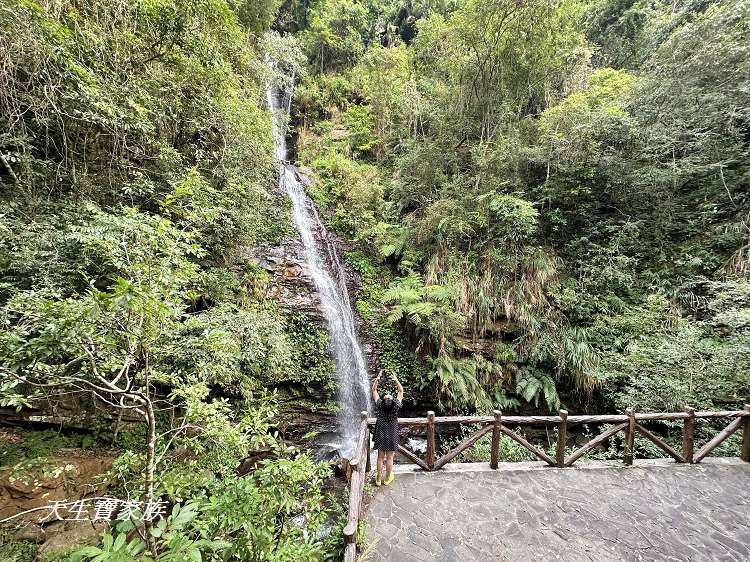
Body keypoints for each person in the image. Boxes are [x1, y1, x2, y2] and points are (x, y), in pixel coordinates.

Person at [371, 370, 403, 486]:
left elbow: (374, 390)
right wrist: (396, 380)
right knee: (390, 457)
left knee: (380, 457)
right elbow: (400, 391)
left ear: (383, 401)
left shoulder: (380, 405)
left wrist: (377, 379)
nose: (388, 395)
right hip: (391, 433)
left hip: (381, 433)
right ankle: (387, 478)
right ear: (392, 401)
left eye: (387, 396)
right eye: (389, 396)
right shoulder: (396, 407)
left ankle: (378, 479)